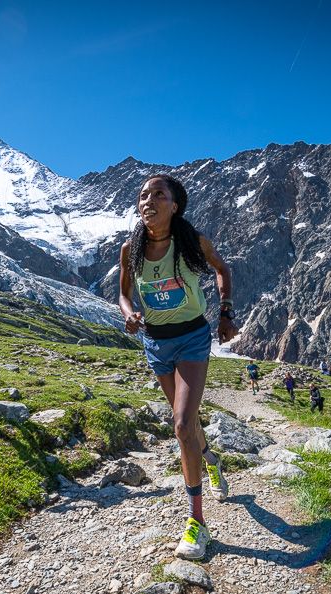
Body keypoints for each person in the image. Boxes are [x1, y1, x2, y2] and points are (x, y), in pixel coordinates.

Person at [119, 174, 238, 560]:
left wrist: (224, 311)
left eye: (158, 194)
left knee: (183, 424)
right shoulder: (130, 249)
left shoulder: (190, 242)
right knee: (185, 422)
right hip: (155, 342)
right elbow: (123, 292)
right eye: (143, 195)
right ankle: (211, 459)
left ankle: (196, 521)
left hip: (191, 339)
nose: (149, 200)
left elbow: (222, 270)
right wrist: (129, 313)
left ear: (175, 205)